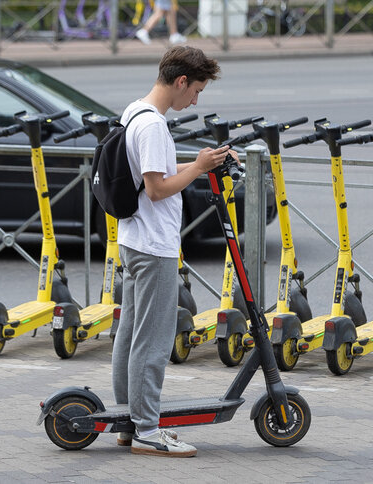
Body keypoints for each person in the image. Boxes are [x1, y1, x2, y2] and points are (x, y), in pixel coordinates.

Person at [111, 46, 236, 458]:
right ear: (181, 81)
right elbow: (157, 187)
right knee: (152, 340)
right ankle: (147, 430)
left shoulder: (135, 111)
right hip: (153, 247)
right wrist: (198, 168)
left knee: (131, 334)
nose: (195, 101)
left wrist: (199, 162)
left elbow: (157, 175)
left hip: (134, 239)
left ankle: (129, 421)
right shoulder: (152, 127)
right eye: (196, 90)